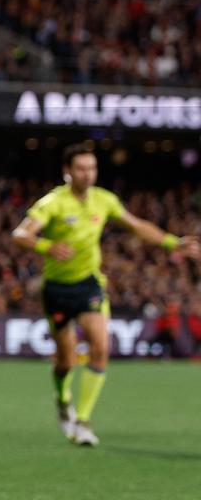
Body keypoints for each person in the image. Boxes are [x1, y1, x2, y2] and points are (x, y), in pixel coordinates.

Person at [11, 143, 200, 446]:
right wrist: (47, 246)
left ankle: (83, 421)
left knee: (100, 346)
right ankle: (63, 400)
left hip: (89, 284)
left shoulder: (104, 200)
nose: (88, 174)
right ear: (67, 172)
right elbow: (21, 234)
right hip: (58, 289)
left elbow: (137, 225)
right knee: (65, 361)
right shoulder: (52, 203)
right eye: (81, 169)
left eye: (92, 168)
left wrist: (172, 243)